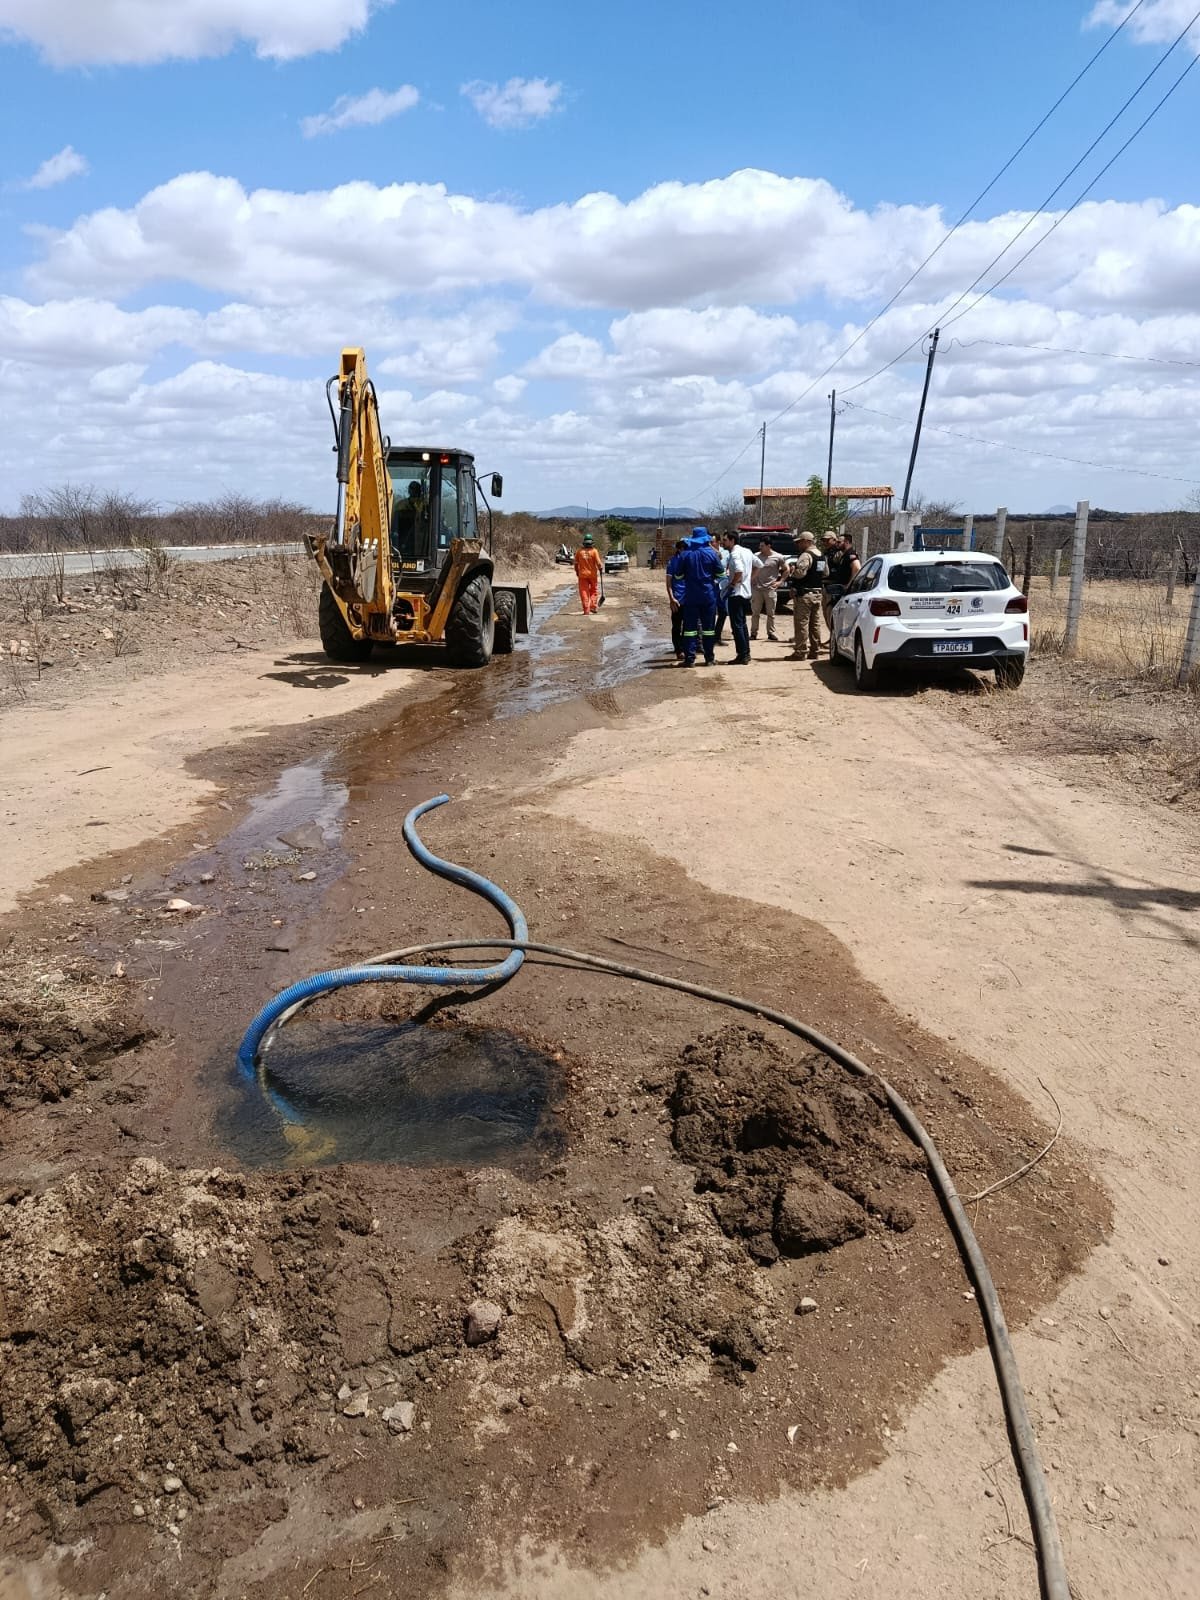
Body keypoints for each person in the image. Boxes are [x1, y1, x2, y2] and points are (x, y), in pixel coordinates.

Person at [673, 526, 724, 666]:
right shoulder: (712, 554)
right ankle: (709, 659)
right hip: (708, 596)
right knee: (708, 629)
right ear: (705, 540)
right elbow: (721, 575)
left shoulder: (685, 555)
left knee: (689, 630)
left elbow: (678, 575)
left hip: (690, 596)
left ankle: (690, 659)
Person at [789, 529, 827, 660]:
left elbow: (801, 573)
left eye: (800, 542)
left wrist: (792, 571)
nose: (798, 545)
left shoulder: (806, 555)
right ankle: (815, 650)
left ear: (807, 541)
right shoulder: (821, 555)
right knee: (815, 624)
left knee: (802, 623)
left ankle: (800, 651)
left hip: (805, 594)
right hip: (817, 593)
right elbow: (825, 573)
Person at [721, 529, 753, 664]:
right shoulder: (748, 551)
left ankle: (742, 655)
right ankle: (746, 653)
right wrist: (750, 579)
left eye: (725, 540)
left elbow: (739, 570)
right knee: (742, 624)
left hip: (737, 593)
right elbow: (759, 565)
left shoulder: (735, 554)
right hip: (745, 592)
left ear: (732, 540)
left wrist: (732, 584)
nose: (723, 542)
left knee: (737, 625)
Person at [750, 537, 787, 640]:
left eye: (762, 546)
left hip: (770, 589)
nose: (760, 547)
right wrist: (751, 579)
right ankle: (753, 633)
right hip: (756, 589)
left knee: (771, 613)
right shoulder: (755, 556)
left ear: (768, 546)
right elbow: (749, 568)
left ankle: (771, 633)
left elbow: (786, 569)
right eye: (760, 545)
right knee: (755, 612)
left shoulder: (778, 557)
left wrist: (780, 581)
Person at [822, 530, 861, 627]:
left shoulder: (849, 554)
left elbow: (857, 568)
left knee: (833, 615)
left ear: (846, 542)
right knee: (829, 614)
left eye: (839, 542)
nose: (837, 544)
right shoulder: (844, 554)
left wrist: (849, 585)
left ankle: (834, 639)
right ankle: (833, 638)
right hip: (834, 588)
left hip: (842, 591)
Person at [665, 537, 688, 659]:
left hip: (689, 599)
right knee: (677, 626)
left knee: (688, 626)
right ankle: (678, 650)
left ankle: (685, 648)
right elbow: (668, 583)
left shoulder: (690, 561)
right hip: (677, 600)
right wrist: (671, 598)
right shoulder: (672, 562)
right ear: (679, 549)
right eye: (684, 549)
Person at [574, 532, 604, 615]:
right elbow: (598, 563)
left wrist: (577, 572)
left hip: (582, 575)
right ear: (591, 543)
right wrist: (600, 569)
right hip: (592, 575)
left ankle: (586, 610)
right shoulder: (594, 551)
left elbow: (576, 564)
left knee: (584, 592)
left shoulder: (579, 551)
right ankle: (593, 607)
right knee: (594, 591)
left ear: (584, 543)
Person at [711, 534, 730, 645]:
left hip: (723, 586)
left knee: (723, 612)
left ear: (718, 542)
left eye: (712, 541)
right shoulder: (708, 553)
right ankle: (710, 637)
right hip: (712, 586)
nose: (710, 544)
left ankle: (717, 636)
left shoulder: (726, 553)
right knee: (712, 612)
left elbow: (728, 565)